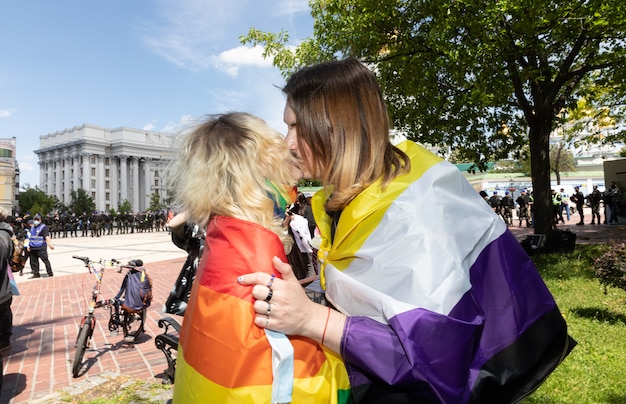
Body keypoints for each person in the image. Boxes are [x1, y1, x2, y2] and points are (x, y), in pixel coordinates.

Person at [238, 58, 575, 403]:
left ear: (336, 127)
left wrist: (312, 319)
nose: (288, 143)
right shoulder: (345, 199)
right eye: (286, 127)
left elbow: (438, 356)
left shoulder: (411, 211)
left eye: (297, 127)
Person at [167, 113, 350, 402]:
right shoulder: (257, 258)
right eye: (283, 160)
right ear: (259, 172)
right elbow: (299, 384)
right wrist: (348, 340)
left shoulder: (222, 240)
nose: (294, 174)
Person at [0, 207, 15, 354]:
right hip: (6, 283)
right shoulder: (7, 234)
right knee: (5, 310)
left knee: (4, 310)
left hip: (2, 287)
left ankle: (5, 338)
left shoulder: (1, 237)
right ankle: (5, 338)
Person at [27, 213, 55, 278]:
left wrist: (50, 244)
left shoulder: (43, 227)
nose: (36, 221)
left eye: (37, 219)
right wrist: (29, 245)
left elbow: (46, 236)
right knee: (34, 262)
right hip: (33, 247)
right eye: (35, 219)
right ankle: (36, 274)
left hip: (41, 247)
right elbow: (31, 237)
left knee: (45, 260)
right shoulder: (32, 228)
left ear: (40, 220)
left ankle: (50, 272)